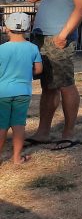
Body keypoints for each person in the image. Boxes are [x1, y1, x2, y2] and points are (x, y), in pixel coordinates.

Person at [26, 0, 82, 147]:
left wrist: (63, 35)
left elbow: (81, 8)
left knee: (65, 85)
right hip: (41, 37)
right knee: (48, 87)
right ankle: (43, 132)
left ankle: (68, 133)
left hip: (58, 37)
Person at [0, 13, 43, 165]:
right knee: (19, 124)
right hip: (23, 92)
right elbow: (38, 70)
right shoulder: (33, 48)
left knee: (1, 125)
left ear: (7, 28)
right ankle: (17, 158)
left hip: (2, 93)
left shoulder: (1, 49)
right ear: (27, 29)